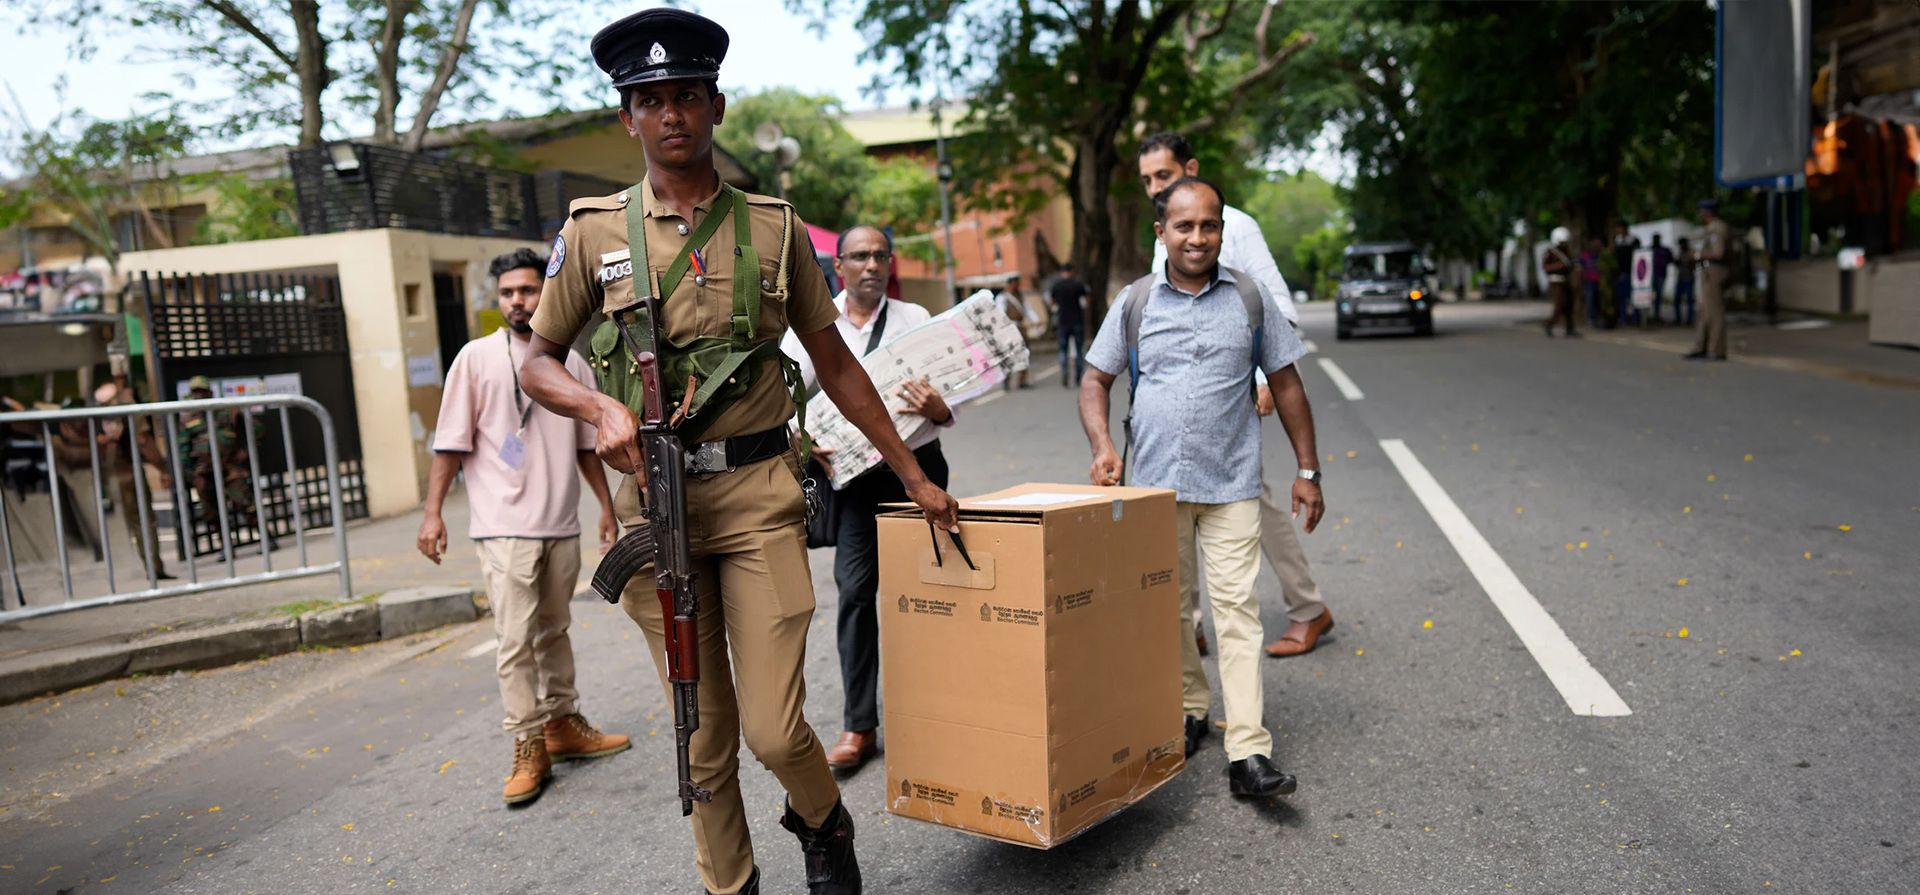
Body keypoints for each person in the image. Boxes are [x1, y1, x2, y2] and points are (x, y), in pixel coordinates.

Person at [515, 11, 960, 894]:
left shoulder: (775, 228)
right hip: (657, 512)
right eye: (650, 100)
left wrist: (913, 475)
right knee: (701, 731)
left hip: (758, 493)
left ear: (715, 105)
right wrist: (596, 406)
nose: (670, 113)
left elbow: (834, 364)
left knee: (773, 729)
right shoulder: (595, 233)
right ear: (627, 119)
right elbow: (535, 359)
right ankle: (733, 883)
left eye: (686, 95)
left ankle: (824, 823)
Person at [1081, 176, 1321, 798]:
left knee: (1237, 612)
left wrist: (1308, 470)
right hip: (1154, 488)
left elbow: (1287, 384)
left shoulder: (1249, 298)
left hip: (1232, 483)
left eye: (1208, 225)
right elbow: (1094, 381)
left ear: (1222, 230)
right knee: (1169, 611)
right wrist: (1104, 446)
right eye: (1183, 226)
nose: (1197, 237)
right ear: (1160, 233)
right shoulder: (1135, 302)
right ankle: (1191, 707)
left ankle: (1249, 751)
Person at [417, 247, 628, 806]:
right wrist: (433, 512)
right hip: (501, 526)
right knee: (514, 641)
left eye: (529, 291)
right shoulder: (473, 358)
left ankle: (562, 724)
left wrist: (604, 507)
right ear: (499, 298)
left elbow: (589, 446)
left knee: (554, 630)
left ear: (545, 294)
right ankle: (527, 740)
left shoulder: (571, 364)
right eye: (509, 292)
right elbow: (450, 443)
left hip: (560, 523)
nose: (518, 301)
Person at [1135, 132, 1333, 659]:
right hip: (1179, 409)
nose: (1155, 186)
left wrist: (1265, 379)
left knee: (1249, 500)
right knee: (1181, 503)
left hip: (1230, 396)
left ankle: (1307, 608)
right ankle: (1194, 621)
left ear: (1191, 167)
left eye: (1165, 175)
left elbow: (1276, 305)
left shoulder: (1234, 226)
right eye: (1148, 180)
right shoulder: (1167, 230)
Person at [779, 225, 954, 775]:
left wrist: (939, 408)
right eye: (859, 256)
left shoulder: (917, 320)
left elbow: (956, 395)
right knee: (855, 594)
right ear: (839, 265)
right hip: (854, 484)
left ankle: (942, 714)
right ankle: (860, 726)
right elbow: (780, 401)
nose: (871, 265)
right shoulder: (813, 326)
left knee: (934, 591)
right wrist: (802, 439)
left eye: (880, 255)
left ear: (891, 263)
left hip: (919, 473)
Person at [1685, 200, 1731, 361]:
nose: (1700, 214)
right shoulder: (1712, 228)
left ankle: (1716, 350)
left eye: (1702, 211)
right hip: (1708, 271)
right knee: (1704, 311)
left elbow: (1719, 253)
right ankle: (1702, 347)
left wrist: (1698, 256)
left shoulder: (1717, 229)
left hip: (1715, 271)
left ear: (1708, 212)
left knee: (1715, 311)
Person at [1048, 263, 1089, 387]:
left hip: (1062, 321)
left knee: (1063, 350)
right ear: (1072, 271)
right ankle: (1078, 376)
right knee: (1078, 349)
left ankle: (1065, 371)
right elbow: (1085, 301)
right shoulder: (1078, 285)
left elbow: (1053, 302)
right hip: (1077, 321)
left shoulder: (1056, 286)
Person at [996, 275, 1031, 390]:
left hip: (1020, 327)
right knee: (1008, 355)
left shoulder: (1020, 295)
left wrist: (1036, 320)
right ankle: (1006, 381)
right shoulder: (1003, 297)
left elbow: (1027, 309)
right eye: (1015, 283)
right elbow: (1000, 314)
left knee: (1023, 353)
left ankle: (1022, 380)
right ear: (1010, 283)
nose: (1017, 285)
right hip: (1008, 329)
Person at [1542, 227, 1579, 338]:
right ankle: (1549, 325)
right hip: (1555, 281)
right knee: (1560, 304)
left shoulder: (1566, 251)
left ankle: (1570, 328)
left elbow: (1570, 264)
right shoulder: (1551, 252)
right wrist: (1558, 266)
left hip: (1565, 280)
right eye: (1562, 242)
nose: (1564, 244)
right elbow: (1545, 267)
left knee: (1569, 304)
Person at [1612, 222, 1641, 326]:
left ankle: (1636, 318)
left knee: (1633, 297)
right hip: (1620, 273)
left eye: (1619, 228)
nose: (1618, 230)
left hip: (1631, 273)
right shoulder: (1617, 241)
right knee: (1621, 298)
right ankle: (1623, 318)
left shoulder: (1633, 240)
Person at [1673, 236, 1698, 326]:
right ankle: (1678, 318)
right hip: (1681, 277)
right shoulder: (1680, 253)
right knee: (1677, 300)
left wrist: (1688, 263)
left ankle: (1689, 319)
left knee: (1689, 300)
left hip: (1689, 278)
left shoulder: (1691, 252)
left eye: (1681, 244)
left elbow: (1695, 264)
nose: (1680, 246)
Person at [1649, 234, 1673, 324]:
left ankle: (1656, 314)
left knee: (1658, 296)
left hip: (1661, 275)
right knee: (1649, 296)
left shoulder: (1664, 250)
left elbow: (1671, 260)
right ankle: (1651, 315)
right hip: (1651, 276)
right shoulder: (1650, 249)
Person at [1579, 239, 1603, 327]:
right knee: (1590, 299)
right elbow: (1579, 265)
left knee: (1600, 300)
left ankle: (1600, 318)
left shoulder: (1602, 254)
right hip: (1589, 280)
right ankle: (1591, 319)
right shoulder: (1585, 255)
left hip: (1601, 281)